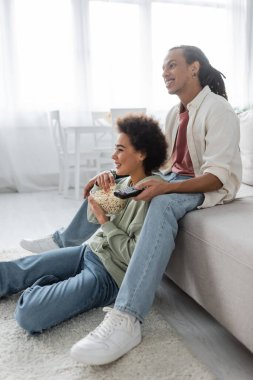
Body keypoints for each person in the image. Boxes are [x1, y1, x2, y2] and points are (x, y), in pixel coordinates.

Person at [20, 45, 242, 365]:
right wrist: (114, 175)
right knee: (118, 186)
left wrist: (165, 187)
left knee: (162, 203)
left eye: (172, 65)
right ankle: (62, 241)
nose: (164, 72)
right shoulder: (175, 113)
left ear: (194, 68)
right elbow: (159, 164)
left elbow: (218, 177)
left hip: (207, 187)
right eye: (163, 67)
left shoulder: (217, 109)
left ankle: (127, 318)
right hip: (176, 178)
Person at [0, 115, 167, 343]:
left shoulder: (153, 199)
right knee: (18, 269)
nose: (113, 156)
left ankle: (50, 284)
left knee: (29, 315)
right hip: (90, 251)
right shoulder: (126, 182)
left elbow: (133, 256)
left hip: (108, 275)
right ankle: (53, 280)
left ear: (142, 154)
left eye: (120, 150)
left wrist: (104, 223)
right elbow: (93, 214)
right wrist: (100, 192)